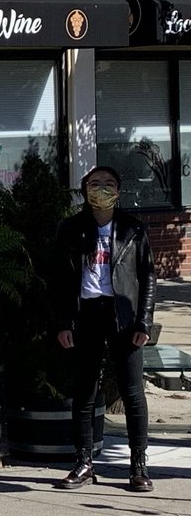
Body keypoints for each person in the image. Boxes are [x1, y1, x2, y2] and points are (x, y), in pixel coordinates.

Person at [53, 166, 156, 492]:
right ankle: (83, 463)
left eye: (109, 184)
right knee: (84, 392)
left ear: (119, 192)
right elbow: (59, 281)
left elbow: (148, 277)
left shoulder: (132, 229)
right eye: (95, 184)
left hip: (122, 315)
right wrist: (63, 322)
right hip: (87, 314)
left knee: (133, 393)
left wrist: (144, 322)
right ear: (85, 190)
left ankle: (138, 465)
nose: (102, 189)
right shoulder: (71, 229)